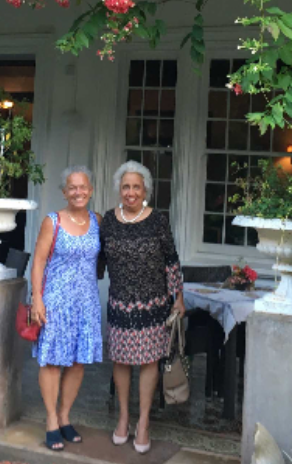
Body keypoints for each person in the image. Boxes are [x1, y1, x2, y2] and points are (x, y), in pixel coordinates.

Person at [99, 160, 185, 454]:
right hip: (120, 304)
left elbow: (171, 261)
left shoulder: (158, 220)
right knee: (121, 360)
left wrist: (178, 297)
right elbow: (96, 261)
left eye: (136, 186)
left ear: (145, 189)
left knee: (149, 362)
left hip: (154, 305)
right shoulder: (108, 221)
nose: (131, 192)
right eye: (126, 186)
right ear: (119, 190)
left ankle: (144, 421)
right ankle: (124, 417)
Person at [31, 165, 102, 451]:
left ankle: (64, 416)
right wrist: (37, 297)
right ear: (64, 192)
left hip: (86, 303)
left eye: (83, 187)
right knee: (51, 360)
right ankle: (50, 419)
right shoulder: (53, 221)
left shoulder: (97, 221)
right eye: (72, 187)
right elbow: (38, 261)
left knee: (76, 360)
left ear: (91, 190)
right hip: (56, 302)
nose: (78, 192)